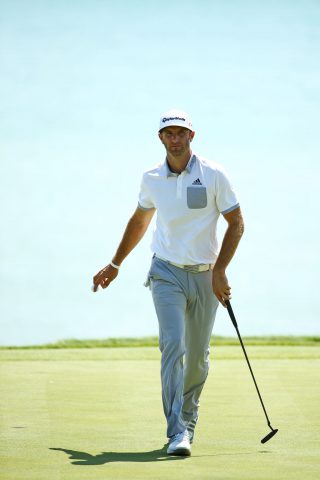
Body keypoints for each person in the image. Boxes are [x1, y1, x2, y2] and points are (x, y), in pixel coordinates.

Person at [92, 109, 244, 456]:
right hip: (166, 272)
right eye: (168, 133)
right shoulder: (151, 178)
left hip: (206, 275)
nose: (175, 139)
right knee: (173, 346)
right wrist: (115, 263)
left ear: (192, 136)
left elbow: (236, 222)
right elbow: (140, 220)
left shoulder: (214, 174)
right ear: (160, 138)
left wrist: (220, 270)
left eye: (181, 133)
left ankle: (188, 421)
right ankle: (177, 431)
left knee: (197, 359)